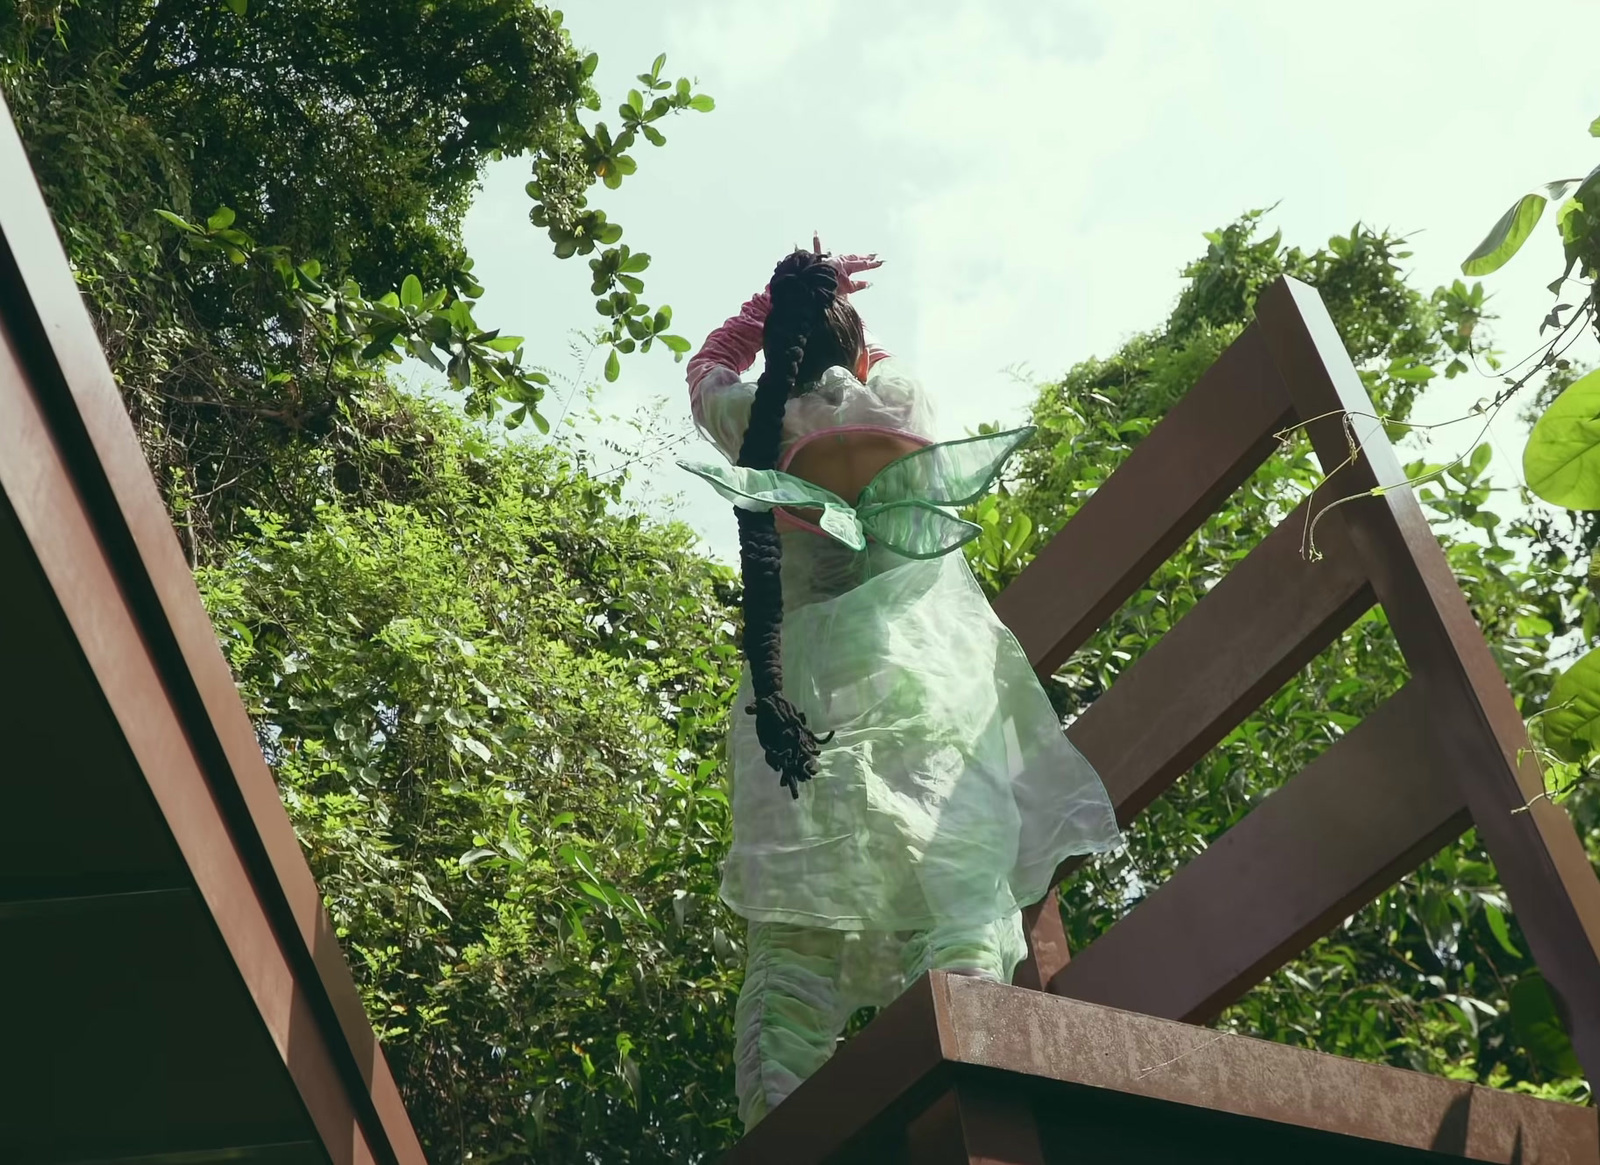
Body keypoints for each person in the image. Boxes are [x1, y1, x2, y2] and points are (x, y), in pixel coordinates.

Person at [679, 239, 1122, 1129]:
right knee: (960, 868)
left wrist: (769, 314)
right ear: (857, 351)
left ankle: (781, 1122)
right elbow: (869, 366)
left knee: (796, 922)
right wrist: (826, 305)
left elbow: (706, 371)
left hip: (802, 697)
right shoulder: (899, 398)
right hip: (923, 675)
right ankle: (969, 1061)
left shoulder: (753, 424)